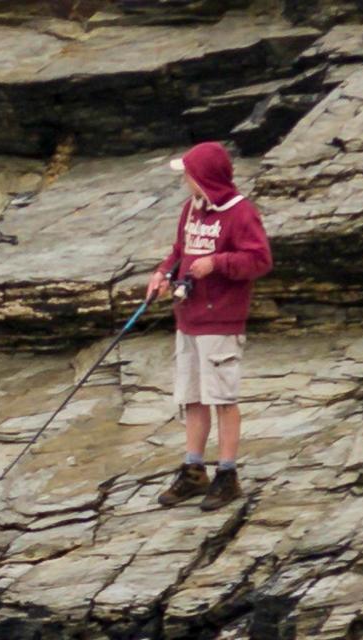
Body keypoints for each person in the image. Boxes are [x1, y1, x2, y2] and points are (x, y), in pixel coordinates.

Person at [147, 141, 273, 511]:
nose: (185, 180)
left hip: (221, 320)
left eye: (188, 174)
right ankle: (193, 468)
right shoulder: (191, 209)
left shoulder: (240, 213)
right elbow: (178, 251)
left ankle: (228, 474)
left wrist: (216, 264)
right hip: (188, 319)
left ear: (204, 177)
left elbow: (259, 260)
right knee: (192, 397)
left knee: (223, 398)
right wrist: (162, 274)